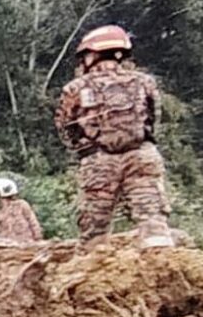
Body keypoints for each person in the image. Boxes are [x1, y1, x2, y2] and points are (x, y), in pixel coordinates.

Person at [55, 25, 171, 246]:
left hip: (99, 161)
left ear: (93, 54)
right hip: (141, 155)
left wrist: (85, 151)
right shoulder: (145, 82)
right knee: (152, 219)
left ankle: (95, 269)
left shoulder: (75, 88)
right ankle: (163, 266)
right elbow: (154, 118)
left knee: (94, 229)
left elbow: (65, 127)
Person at [0, 178, 44, 243]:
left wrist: (38, 239)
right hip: (8, 246)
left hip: (26, 244)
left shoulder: (21, 205)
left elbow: (33, 223)